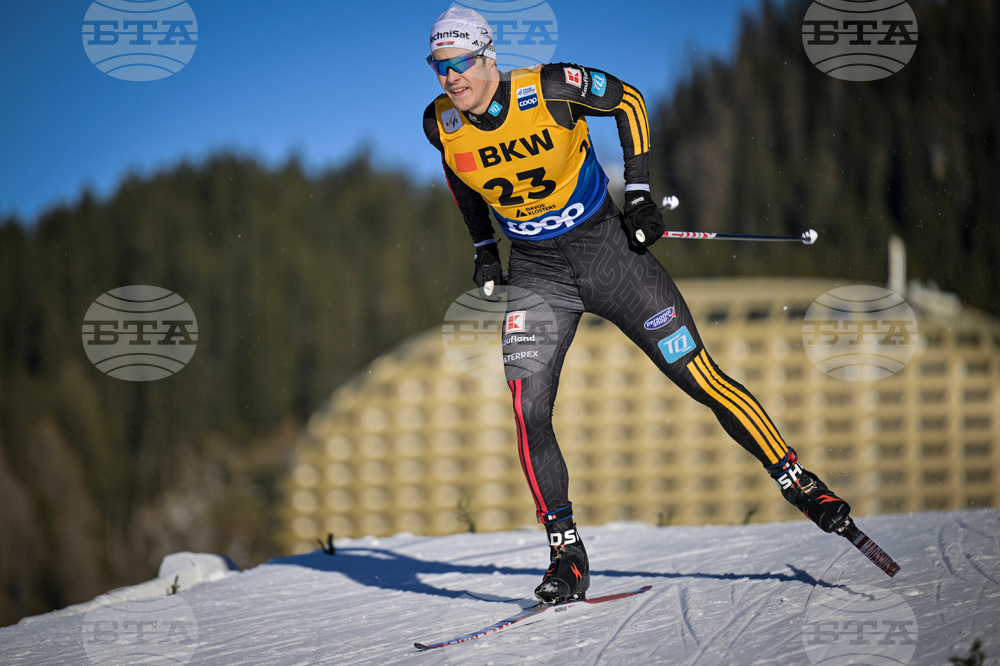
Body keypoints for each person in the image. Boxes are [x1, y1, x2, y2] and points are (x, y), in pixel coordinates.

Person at [422, 7, 851, 604]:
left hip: (610, 257)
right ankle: (567, 556)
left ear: (488, 56)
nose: (450, 77)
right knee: (529, 409)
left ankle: (799, 482)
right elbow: (459, 177)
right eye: (438, 66)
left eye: (460, 63)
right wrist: (482, 248)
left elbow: (629, 102)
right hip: (537, 274)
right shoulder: (439, 120)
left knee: (698, 376)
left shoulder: (548, 86)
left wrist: (641, 191)